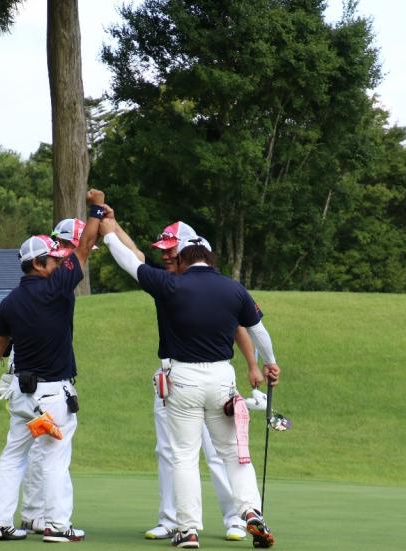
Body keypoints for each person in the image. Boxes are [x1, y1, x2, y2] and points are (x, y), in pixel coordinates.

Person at [101, 217, 280, 549]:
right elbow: (258, 331)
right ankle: (251, 511)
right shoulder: (233, 289)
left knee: (183, 455)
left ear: (183, 258)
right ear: (209, 258)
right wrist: (269, 362)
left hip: (182, 379)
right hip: (222, 378)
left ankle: (188, 530)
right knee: (233, 452)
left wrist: (109, 236)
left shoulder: (171, 285)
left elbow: (130, 262)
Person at [0, 192, 104, 542]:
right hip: (52, 396)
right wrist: (95, 208)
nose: (58, 263)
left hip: (21, 396)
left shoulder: (10, 301)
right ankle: (58, 525)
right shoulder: (57, 289)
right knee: (54, 457)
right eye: (52, 259)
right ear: (38, 264)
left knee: (13, 456)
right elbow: (84, 247)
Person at [5, 217, 89, 536]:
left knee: (39, 450)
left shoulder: (51, 280)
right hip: (44, 385)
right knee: (47, 451)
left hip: (31, 382)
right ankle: (47, 519)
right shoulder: (53, 282)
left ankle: (35, 514)